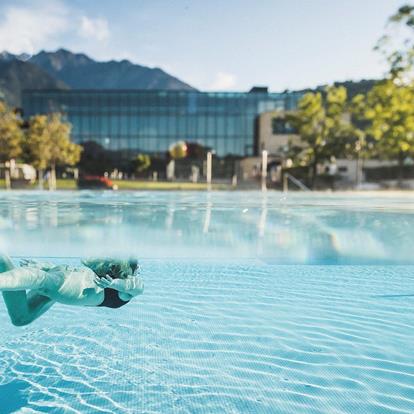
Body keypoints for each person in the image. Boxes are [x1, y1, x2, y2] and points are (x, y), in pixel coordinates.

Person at [0, 254, 144, 327]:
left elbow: (135, 287)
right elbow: (136, 287)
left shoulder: (121, 285)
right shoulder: (123, 290)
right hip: (75, 285)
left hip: (70, 278)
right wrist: (114, 283)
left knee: (21, 318)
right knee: (41, 280)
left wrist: (48, 267)